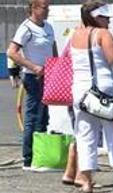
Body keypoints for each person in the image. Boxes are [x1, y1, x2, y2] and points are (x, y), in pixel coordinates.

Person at [70, 2, 113, 193]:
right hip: (103, 90)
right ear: (96, 17)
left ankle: (86, 182)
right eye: (106, 17)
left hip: (81, 92)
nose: (108, 21)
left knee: (85, 135)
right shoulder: (103, 34)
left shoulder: (75, 34)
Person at [7, 0, 55, 170]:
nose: (47, 10)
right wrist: (34, 67)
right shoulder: (26, 28)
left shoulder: (48, 27)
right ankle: (28, 158)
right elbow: (11, 52)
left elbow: (52, 50)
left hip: (48, 76)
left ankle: (40, 156)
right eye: (44, 7)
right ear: (34, 8)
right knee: (33, 116)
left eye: (48, 7)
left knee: (44, 116)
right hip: (33, 77)